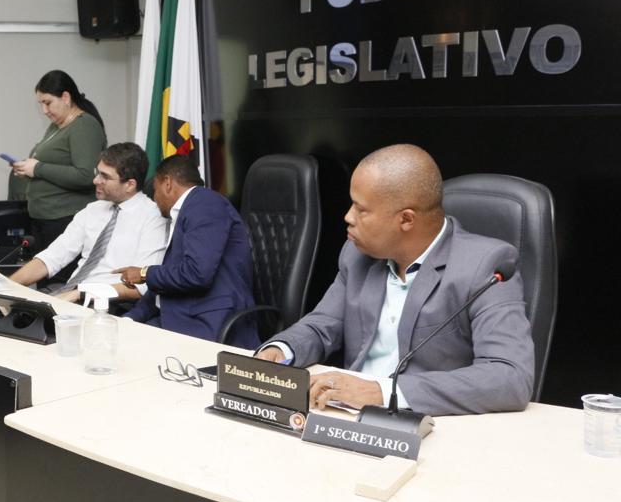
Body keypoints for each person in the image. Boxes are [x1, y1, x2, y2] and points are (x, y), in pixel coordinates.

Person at [257, 144, 534, 416]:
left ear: (406, 219)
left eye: (361, 209)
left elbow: (510, 377)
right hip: (344, 416)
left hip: (429, 424)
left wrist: (383, 392)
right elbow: (322, 326)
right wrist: (281, 350)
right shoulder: (357, 255)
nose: (348, 217)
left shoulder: (486, 265)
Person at [117, 155, 258, 349]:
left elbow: (197, 273)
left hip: (208, 323)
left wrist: (144, 273)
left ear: (167, 183)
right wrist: (130, 319)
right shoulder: (188, 210)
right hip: (178, 316)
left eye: (155, 190)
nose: (154, 199)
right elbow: (166, 284)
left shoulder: (204, 203)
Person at [10, 142, 167, 303]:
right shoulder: (93, 209)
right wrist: (7, 286)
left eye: (105, 177)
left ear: (129, 185)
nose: (95, 180)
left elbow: (142, 287)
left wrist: (81, 294)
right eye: (97, 173)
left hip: (109, 304)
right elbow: (53, 257)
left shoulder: (153, 218)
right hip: (70, 295)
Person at [11, 70, 107, 259]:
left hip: (65, 220)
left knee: (58, 277)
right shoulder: (56, 126)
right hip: (44, 219)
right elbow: (50, 166)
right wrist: (27, 169)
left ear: (65, 97)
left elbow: (86, 175)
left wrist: (37, 169)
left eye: (47, 103)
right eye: (40, 104)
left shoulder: (84, 126)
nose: (44, 110)